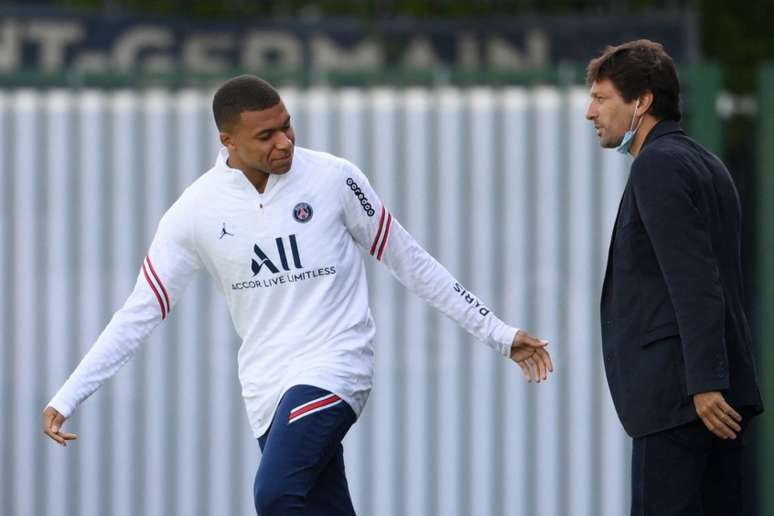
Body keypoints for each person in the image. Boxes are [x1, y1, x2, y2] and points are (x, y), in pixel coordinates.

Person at [42, 75, 554, 516]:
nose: (284, 141)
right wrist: (68, 395)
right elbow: (141, 311)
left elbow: (409, 259)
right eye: (266, 135)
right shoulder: (193, 212)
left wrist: (497, 332)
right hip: (265, 389)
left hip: (336, 368)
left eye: (287, 125)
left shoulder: (335, 179)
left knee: (276, 494)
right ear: (228, 141)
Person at [586, 40, 763, 516]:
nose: (590, 112)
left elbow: (696, 281)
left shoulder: (657, 167)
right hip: (715, 399)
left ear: (641, 101)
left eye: (602, 98)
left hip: (682, 402)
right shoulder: (709, 164)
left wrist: (704, 384)